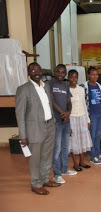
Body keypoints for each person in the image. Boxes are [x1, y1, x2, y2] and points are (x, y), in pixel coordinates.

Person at [15, 62, 61, 195]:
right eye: (32, 71)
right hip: (34, 129)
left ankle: (45, 179)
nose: (36, 73)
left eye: (38, 70)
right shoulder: (23, 89)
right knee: (35, 158)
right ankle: (36, 183)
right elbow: (20, 114)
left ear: (42, 71)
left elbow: (48, 105)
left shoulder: (45, 86)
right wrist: (22, 135)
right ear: (28, 73)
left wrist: (53, 121)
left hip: (50, 126)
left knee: (47, 155)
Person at [47, 64, 77, 184]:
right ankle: (57, 174)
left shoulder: (65, 85)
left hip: (66, 120)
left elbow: (69, 101)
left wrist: (68, 112)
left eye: (62, 72)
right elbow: (52, 101)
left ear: (65, 74)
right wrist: (63, 113)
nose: (60, 74)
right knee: (57, 148)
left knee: (65, 147)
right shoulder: (50, 84)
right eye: (58, 72)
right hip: (57, 121)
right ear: (54, 72)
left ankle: (64, 169)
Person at [82, 67, 101, 164]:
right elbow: (83, 103)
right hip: (91, 115)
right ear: (88, 75)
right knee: (92, 135)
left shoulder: (99, 86)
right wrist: (86, 118)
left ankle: (98, 154)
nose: (95, 76)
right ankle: (93, 156)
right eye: (92, 74)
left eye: (96, 74)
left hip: (100, 114)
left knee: (97, 135)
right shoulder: (84, 86)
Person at [68, 70, 92, 171]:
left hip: (82, 116)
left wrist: (88, 120)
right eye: (72, 77)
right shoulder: (66, 90)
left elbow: (84, 105)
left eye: (76, 77)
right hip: (72, 118)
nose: (74, 79)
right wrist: (67, 124)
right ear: (68, 77)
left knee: (82, 139)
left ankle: (82, 161)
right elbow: (66, 107)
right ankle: (75, 163)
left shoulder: (81, 89)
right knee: (74, 140)